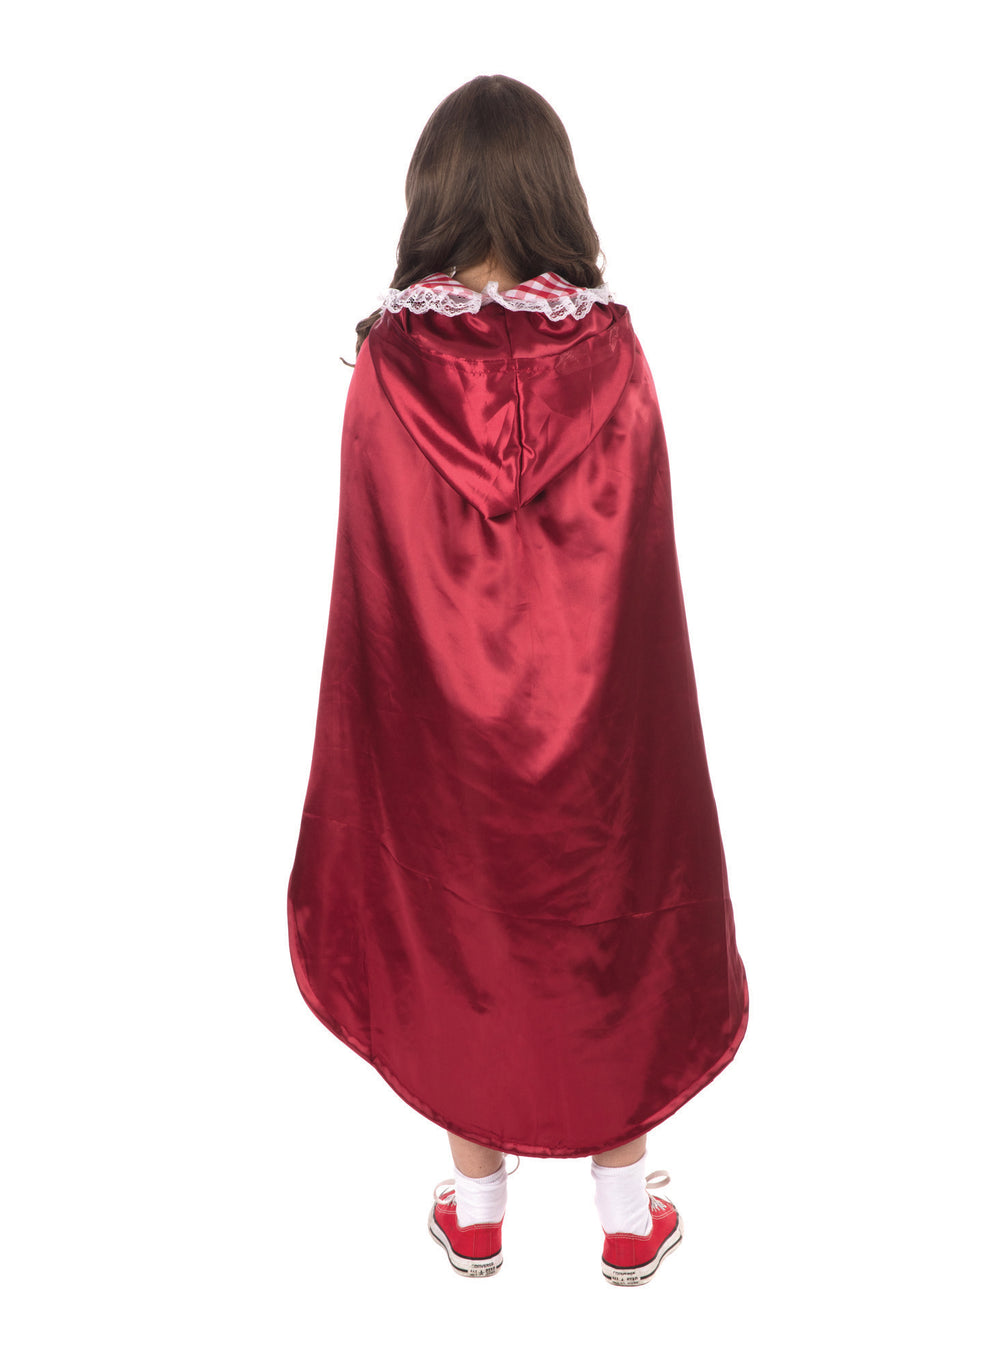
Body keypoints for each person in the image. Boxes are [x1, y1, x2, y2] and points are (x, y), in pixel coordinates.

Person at [286, 74, 749, 1287]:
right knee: (608, 917)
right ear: (555, 194)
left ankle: (479, 1214)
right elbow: (639, 574)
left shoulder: (387, 364)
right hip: (596, 732)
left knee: (453, 927)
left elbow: (374, 587)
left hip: (439, 735)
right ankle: (625, 1219)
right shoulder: (616, 353)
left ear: (431, 196)